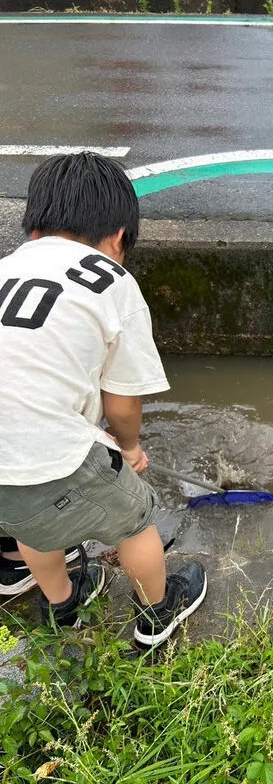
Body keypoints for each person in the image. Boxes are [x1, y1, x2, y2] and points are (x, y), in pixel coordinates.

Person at [0, 153, 207, 647]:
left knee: (28, 520)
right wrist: (129, 449)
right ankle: (157, 616)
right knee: (135, 522)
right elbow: (121, 405)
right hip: (47, 451)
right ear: (118, 238)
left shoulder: (7, 267)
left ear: (34, 227)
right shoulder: (112, 281)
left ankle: (63, 603)